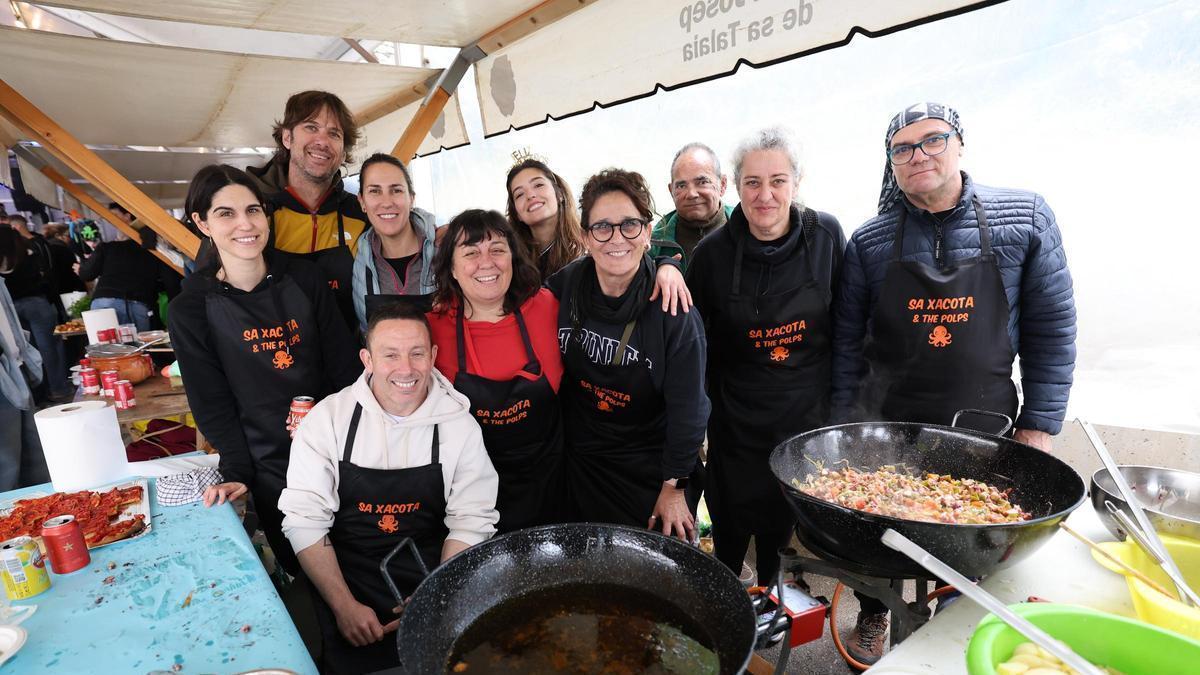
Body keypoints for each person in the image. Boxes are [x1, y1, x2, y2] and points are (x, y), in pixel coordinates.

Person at [831, 103, 1077, 663]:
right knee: (879, 541)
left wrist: (1039, 427)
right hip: (887, 432)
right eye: (902, 148)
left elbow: (1052, 329)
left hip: (985, 429)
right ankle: (875, 613)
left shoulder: (1025, 216)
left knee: (968, 548)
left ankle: (945, 631)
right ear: (891, 164)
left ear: (960, 144)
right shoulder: (869, 241)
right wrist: (847, 426)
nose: (918, 155)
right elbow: (848, 343)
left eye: (932, 141)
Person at [279, 303, 499, 674]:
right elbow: (305, 521)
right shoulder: (327, 421)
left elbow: (470, 521)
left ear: (433, 356)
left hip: (432, 574)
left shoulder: (460, 427)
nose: (406, 369)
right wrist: (344, 606)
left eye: (416, 353)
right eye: (390, 355)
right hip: (344, 577)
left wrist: (436, 595)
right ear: (367, 359)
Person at [168, 164, 361, 576]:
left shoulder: (305, 278)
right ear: (201, 223)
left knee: (360, 553)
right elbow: (210, 401)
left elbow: (343, 367)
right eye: (226, 213)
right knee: (308, 567)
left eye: (253, 210)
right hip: (267, 462)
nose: (245, 224)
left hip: (336, 447)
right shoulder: (191, 308)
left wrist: (350, 437)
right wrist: (238, 470)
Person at [686, 127, 845, 588]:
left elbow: (850, 324)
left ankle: (771, 594)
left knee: (783, 518)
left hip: (804, 417)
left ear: (797, 183)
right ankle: (725, 592)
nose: (765, 195)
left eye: (777, 180)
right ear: (735, 188)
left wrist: (841, 411)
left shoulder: (827, 235)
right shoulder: (712, 254)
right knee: (732, 519)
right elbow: (693, 344)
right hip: (736, 420)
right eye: (752, 183)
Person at [546, 168, 709, 540]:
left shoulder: (673, 310)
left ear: (648, 233)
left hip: (649, 468)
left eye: (629, 225)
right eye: (602, 227)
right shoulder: (566, 285)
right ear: (586, 236)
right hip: (581, 464)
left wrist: (674, 488)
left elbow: (690, 411)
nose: (616, 238)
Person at [427, 209, 565, 532]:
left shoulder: (548, 307)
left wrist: (666, 266)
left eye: (498, 250)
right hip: (476, 505)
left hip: (553, 490)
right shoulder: (430, 330)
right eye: (471, 252)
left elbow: (607, 274)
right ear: (452, 269)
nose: (486, 262)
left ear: (513, 259)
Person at [247, 91, 369, 330]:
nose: (322, 141)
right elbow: (210, 295)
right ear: (287, 138)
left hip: (348, 359)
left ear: (343, 152)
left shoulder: (360, 215)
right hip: (273, 360)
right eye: (311, 127)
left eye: (334, 133)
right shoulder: (252, 213)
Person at [351, 153, 437, 332]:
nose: (387, 202)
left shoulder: (442, 249)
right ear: (362, 202)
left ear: (411, 198)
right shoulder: (359, 260)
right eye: (375, 191)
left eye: (396, 190)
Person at [0, 237, 52, 492]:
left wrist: (25, 355)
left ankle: (39, 513)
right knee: (7, 466)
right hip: (6, 377)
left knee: (34, 459)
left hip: (15, 368)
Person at [0, 215, 71, 401]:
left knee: (24, 350)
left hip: (10, 309)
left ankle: (37, 393)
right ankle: (58, 390)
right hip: (36, 303)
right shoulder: (26, 247)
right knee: (49, 348)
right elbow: (46, 275)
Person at [650, 142, 733, 268]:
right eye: (681, 186)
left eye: (702, 182)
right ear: (671, 191)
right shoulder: (653, 245)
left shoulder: (749, 228)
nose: (691, 194)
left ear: (722, 184)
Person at [505, 157, 586, 280]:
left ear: (559, 194)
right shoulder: (511, 264)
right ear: (517, 214)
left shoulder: (589, 248)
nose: (530, 195)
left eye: (538, 185)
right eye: (519, 194)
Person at [79, 226, 170, 332]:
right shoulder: (155, 253)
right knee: (138, 346)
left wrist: (81, 268)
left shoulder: (108, 247)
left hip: (103, 303)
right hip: (138, 304)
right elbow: (169, 283)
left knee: (104, 347)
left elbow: (87, 274)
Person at [38, 224, 86, 293]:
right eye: (68, 236)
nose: (70, 239)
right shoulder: (61, 249)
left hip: (54, 289)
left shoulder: (46, 247)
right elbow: (72, 270)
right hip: (69, 288)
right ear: (57, 235)